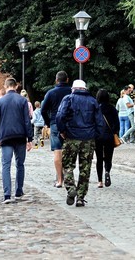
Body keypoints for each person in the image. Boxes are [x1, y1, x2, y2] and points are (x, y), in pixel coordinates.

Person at [56, 79, 103, 207]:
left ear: (74, 88)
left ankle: (71, 189)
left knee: (68, 165)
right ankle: (81, 197)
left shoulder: (68, 99)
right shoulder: (93, 101)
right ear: (85, 89)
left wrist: (62, 131)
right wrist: (96, 136)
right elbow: (99, 122)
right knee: (85, 168)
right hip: (88, 139)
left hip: (71, 137)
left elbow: (60, 116)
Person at [0, 78, 33, 204]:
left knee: (6, 165)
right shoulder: (23, 101)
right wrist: (30, 138)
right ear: (16, 86)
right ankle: (19, 191)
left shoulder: (0, 102)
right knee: (20, 164)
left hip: (5, 136)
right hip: (20, 136)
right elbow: (27, 121)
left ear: (5, 86)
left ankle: (7, 194)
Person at [39, 71, 72, 188]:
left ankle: (59, 180)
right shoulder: (71, 92)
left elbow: (43, 110)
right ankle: (69, 177)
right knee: (68, 151)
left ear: (56, 80)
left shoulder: (51, 93)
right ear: (67, 79)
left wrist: (48, 122)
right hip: (69, 124)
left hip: (55, 123)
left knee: (57, 151)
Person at [94, 89, 119, 188]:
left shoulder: (96, 108)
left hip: (98, 136)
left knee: (99, 158)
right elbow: (117, 123)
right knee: (108, 157)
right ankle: (107, 171)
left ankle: (100, 181)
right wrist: (114, 132)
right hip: (109, 136)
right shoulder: (112, 108)